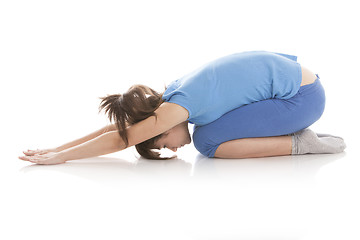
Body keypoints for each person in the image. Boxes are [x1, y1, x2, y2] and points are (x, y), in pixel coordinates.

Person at [19, 50, 346, 165]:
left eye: (162, 144)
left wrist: (60, 158)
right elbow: (118, 131)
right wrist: (55, 147)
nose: (173, 148)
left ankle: (301, 143)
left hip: (302, 99)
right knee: (207, 135)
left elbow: (123, 139)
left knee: (207, 142)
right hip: (303, 89)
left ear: (158, 127)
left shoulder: (177, 108)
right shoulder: (177, 94)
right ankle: (294, 135)